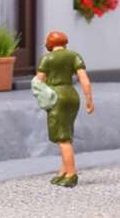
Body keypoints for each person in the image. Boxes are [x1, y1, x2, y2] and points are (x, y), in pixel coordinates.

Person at [36, 29, 94, 187]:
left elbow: (38, 81)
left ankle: (71, 174)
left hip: (57, 97)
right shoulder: (74, 56)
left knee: (62, 139)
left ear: (49, 44)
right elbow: (85, 80)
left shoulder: (47, 59)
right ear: (65, 43)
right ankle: (63, 170)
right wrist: (89, 100)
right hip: (72, 96)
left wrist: (42, 97)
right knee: (67, 133)